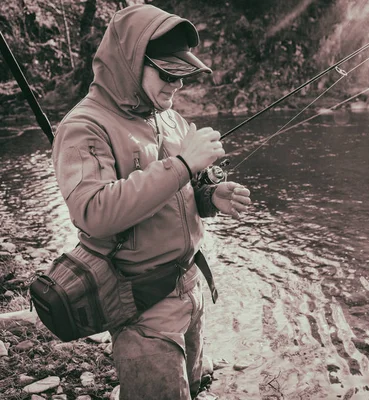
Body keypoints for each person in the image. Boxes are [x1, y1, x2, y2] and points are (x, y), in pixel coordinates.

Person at [52, 4, 251, 399]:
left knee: (191, 386)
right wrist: (181, 163)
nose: (177, 86)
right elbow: (93, 212)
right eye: (167, 73)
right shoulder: (83, 127)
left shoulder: (169, 118)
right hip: (141, 304)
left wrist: (211, 198)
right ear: (129, 62)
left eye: (183, 75)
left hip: (190, 284)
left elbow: (181, 193)